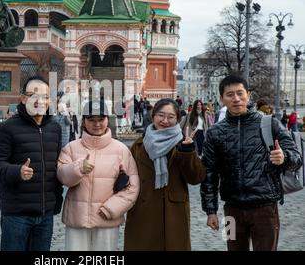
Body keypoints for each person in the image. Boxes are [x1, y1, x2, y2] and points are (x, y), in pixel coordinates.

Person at [201, 75, 302, 251]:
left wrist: (284, 157)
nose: (236, 99)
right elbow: (209, 174)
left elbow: (297, 158)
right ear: (222, 98)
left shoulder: (270, 123)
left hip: (265, 208)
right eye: (230, 94)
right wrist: (210, 211)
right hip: (231, 210)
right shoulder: (215, 133)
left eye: (240, 93)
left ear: (248, 95)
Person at [0, 76, 64, 251]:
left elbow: (56, 167)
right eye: (33, 95)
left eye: (45, 96)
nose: (40, 101)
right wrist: (17, 172)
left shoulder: (55, 129)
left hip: (45, 214)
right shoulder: (7, 128)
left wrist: (56, 202)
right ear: (23, 99)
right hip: (17, 214)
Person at [57, 100, 139, 251]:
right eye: (91, 120)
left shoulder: (121, 150)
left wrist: (111, 209)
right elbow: (62, 176)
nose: (97, 124)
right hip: (77, 218)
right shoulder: (71, 148)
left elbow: (132, 186)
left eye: (101, 119)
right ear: (84, 121)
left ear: (107, 119)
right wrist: (78, 169)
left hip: (106, 219)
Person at [124, 98, 205, 251]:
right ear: (153, 115)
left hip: (172, 211)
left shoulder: (182, 143)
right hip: (143, 209)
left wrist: (187, 152)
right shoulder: (139, 145)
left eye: (171, 117)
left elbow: (196, 178)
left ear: (177, 120)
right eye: (161, 115)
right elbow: (126, 174)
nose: (165, 120)